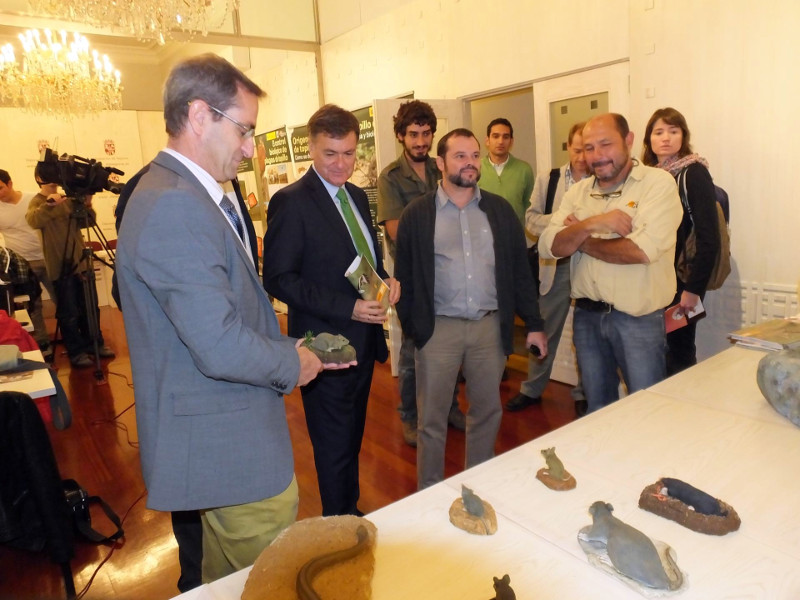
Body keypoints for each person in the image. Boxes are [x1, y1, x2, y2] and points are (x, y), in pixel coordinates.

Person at [116, 53, 329, 585]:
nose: (250, 147)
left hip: (215, 438)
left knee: (220, 581)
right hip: (228, 449)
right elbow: (219, 343)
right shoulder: (175, 204)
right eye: (244, 130)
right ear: (198, 115)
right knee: (268, 582)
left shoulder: (180, 193)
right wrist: (294, 359)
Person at [262, 104, 401, 516]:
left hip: (364, 339)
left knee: (351, 439)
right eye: (330, 154)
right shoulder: (291, 202)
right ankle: (338, 525)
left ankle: (349, 514)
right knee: (333, 446)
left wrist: (385, 281)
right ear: (312, 149)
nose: (342, 164)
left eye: (349, 153)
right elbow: (279, 279)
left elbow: (360, 258)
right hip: (323, 348)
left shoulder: (357, 195)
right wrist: (350, 307)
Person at [394, 128, 547, 489]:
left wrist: (535, 323)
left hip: (488, 329)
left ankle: (478, 488)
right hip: (438, 330)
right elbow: (406, 278)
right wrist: (417, 329)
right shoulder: (417, 214)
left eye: (475, 155)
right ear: (440, 163)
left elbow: (519, 273)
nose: (470, 163)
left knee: (486, 412)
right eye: (460, 156)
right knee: (430, 420)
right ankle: (428, 493)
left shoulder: (499, 211)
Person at [538, 113, 682, 413]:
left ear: (628, 140)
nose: (597, 156)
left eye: (606, 144)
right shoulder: (577, 191)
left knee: (646, 411)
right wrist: (596, 223)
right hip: (587, 318)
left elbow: (640, 251)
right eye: (589, 148)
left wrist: (580, 236)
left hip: (638, 320)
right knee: (598, 411)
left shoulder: (658, 184)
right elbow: (550, 246)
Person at [376, 100, 465, 447]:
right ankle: (410, 418)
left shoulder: (440, 169)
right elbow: (399, 231)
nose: (420, 141)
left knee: (453, 344)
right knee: (414, 349)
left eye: (426, 133)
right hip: (412, 279)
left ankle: (450, 408)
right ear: (401, 135)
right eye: (413, 134)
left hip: (450, 274)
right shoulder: (390, 178)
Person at [507, 122, 590, 414]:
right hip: (555, 267)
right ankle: (532, 389)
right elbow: (530, 220)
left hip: (591, 267)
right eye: (577, 149)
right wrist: (560, 222)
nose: (582, 156)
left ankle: (584, 392)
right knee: (544, 330)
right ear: (568, 146)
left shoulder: (601, 179)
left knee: (586, 336)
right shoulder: (549, 179)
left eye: (587, 149)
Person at [642, 107, 720, 375]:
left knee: (679, 352)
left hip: (683, 281)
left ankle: (684, 412)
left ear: (683, 136)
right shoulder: (648, 177)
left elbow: (709, 237)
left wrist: (693, 289)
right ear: (649, 139)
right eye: (659, 132)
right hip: (654, 279)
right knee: (656, 351)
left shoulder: (693, 173)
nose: (666, 138)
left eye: (673, 131)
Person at [26, 173, 115, 368]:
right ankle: (76, 352)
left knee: (90, 307)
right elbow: (32, 220)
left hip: (80, 262)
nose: (52, 180)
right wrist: (49, 204)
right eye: (46, 175)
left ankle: (95, 343)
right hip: (59, 265)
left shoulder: (68, 199)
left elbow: (87, 222)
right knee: (69, 312)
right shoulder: (37, 201)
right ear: (38, 178)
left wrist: (88, 204)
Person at [0, 169, 54, 353]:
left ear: (10, 184)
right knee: (33, 305)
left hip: (47, 258)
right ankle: (41, 345)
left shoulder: (33, 199)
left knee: (62, 300)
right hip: (22, 266)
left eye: (0, 188)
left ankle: (74, 342)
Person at [479, 118, 535, 226]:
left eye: (505, 137)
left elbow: (529, 207)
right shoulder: (476, 168)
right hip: (483, 237)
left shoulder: (524, 170)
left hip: (514, 236)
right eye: (495, 136)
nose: (500, 141)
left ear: (511, 141)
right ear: (487, 140)